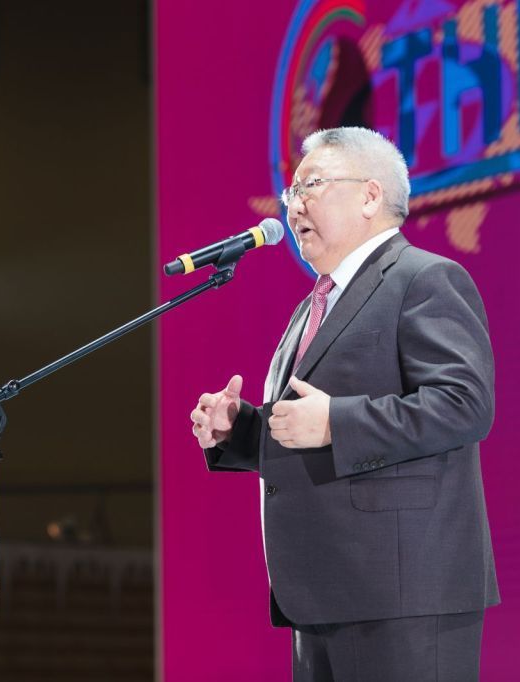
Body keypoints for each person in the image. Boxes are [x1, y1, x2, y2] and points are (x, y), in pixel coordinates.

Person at [190, 126, 498, 681]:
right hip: (321, 592)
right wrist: (240, 430)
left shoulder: (424, 278)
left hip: (403, 595)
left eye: (310, 186)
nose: (293, 206)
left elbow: (464, 403)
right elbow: (306, 427)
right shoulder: (314, 305)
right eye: (290, 193)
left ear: (370, 195)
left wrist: (337, 422)